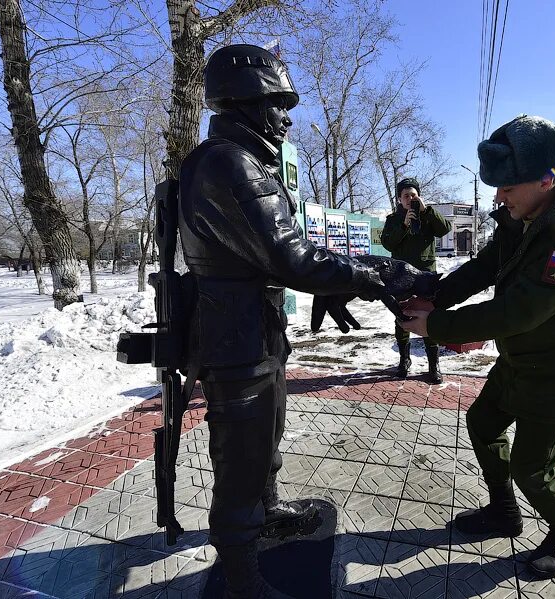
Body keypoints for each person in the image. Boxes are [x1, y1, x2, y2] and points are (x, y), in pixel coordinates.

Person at [177, 44, 420, 599]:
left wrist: (374, 269)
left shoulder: (239, 158)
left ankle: (268, 511)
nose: (286, 117)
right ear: (242, 102)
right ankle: (242, 577)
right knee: (240, 455)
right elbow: (291, 258)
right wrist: (375, 277)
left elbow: (289, 250)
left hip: (252, 329)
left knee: (266, 437)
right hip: (234, 337)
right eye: (277, 103)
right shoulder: (227, 163)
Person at [399, 115, 555, 581]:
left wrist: (435, 325)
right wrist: (436, 297)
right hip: (521, 359)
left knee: (532, 467)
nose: (498, 196)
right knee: (482, 423)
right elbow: (485, 266)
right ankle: (503, 514)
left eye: (507, 187)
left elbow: (519, 311)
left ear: (547, 179)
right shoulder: (529, 215)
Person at [381, 178, 452, 382]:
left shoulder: (428, 216)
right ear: (399, 199)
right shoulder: (393, 219)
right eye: (406, 196)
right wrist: (403, 226)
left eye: (413, 195)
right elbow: (387, 243)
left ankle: (433, 365)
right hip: (400, 277)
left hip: (424, 277)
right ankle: (404, 360)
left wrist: (427, 211)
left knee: (429, 316)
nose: (410, 198)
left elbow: (445, 229)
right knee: (401, 316)